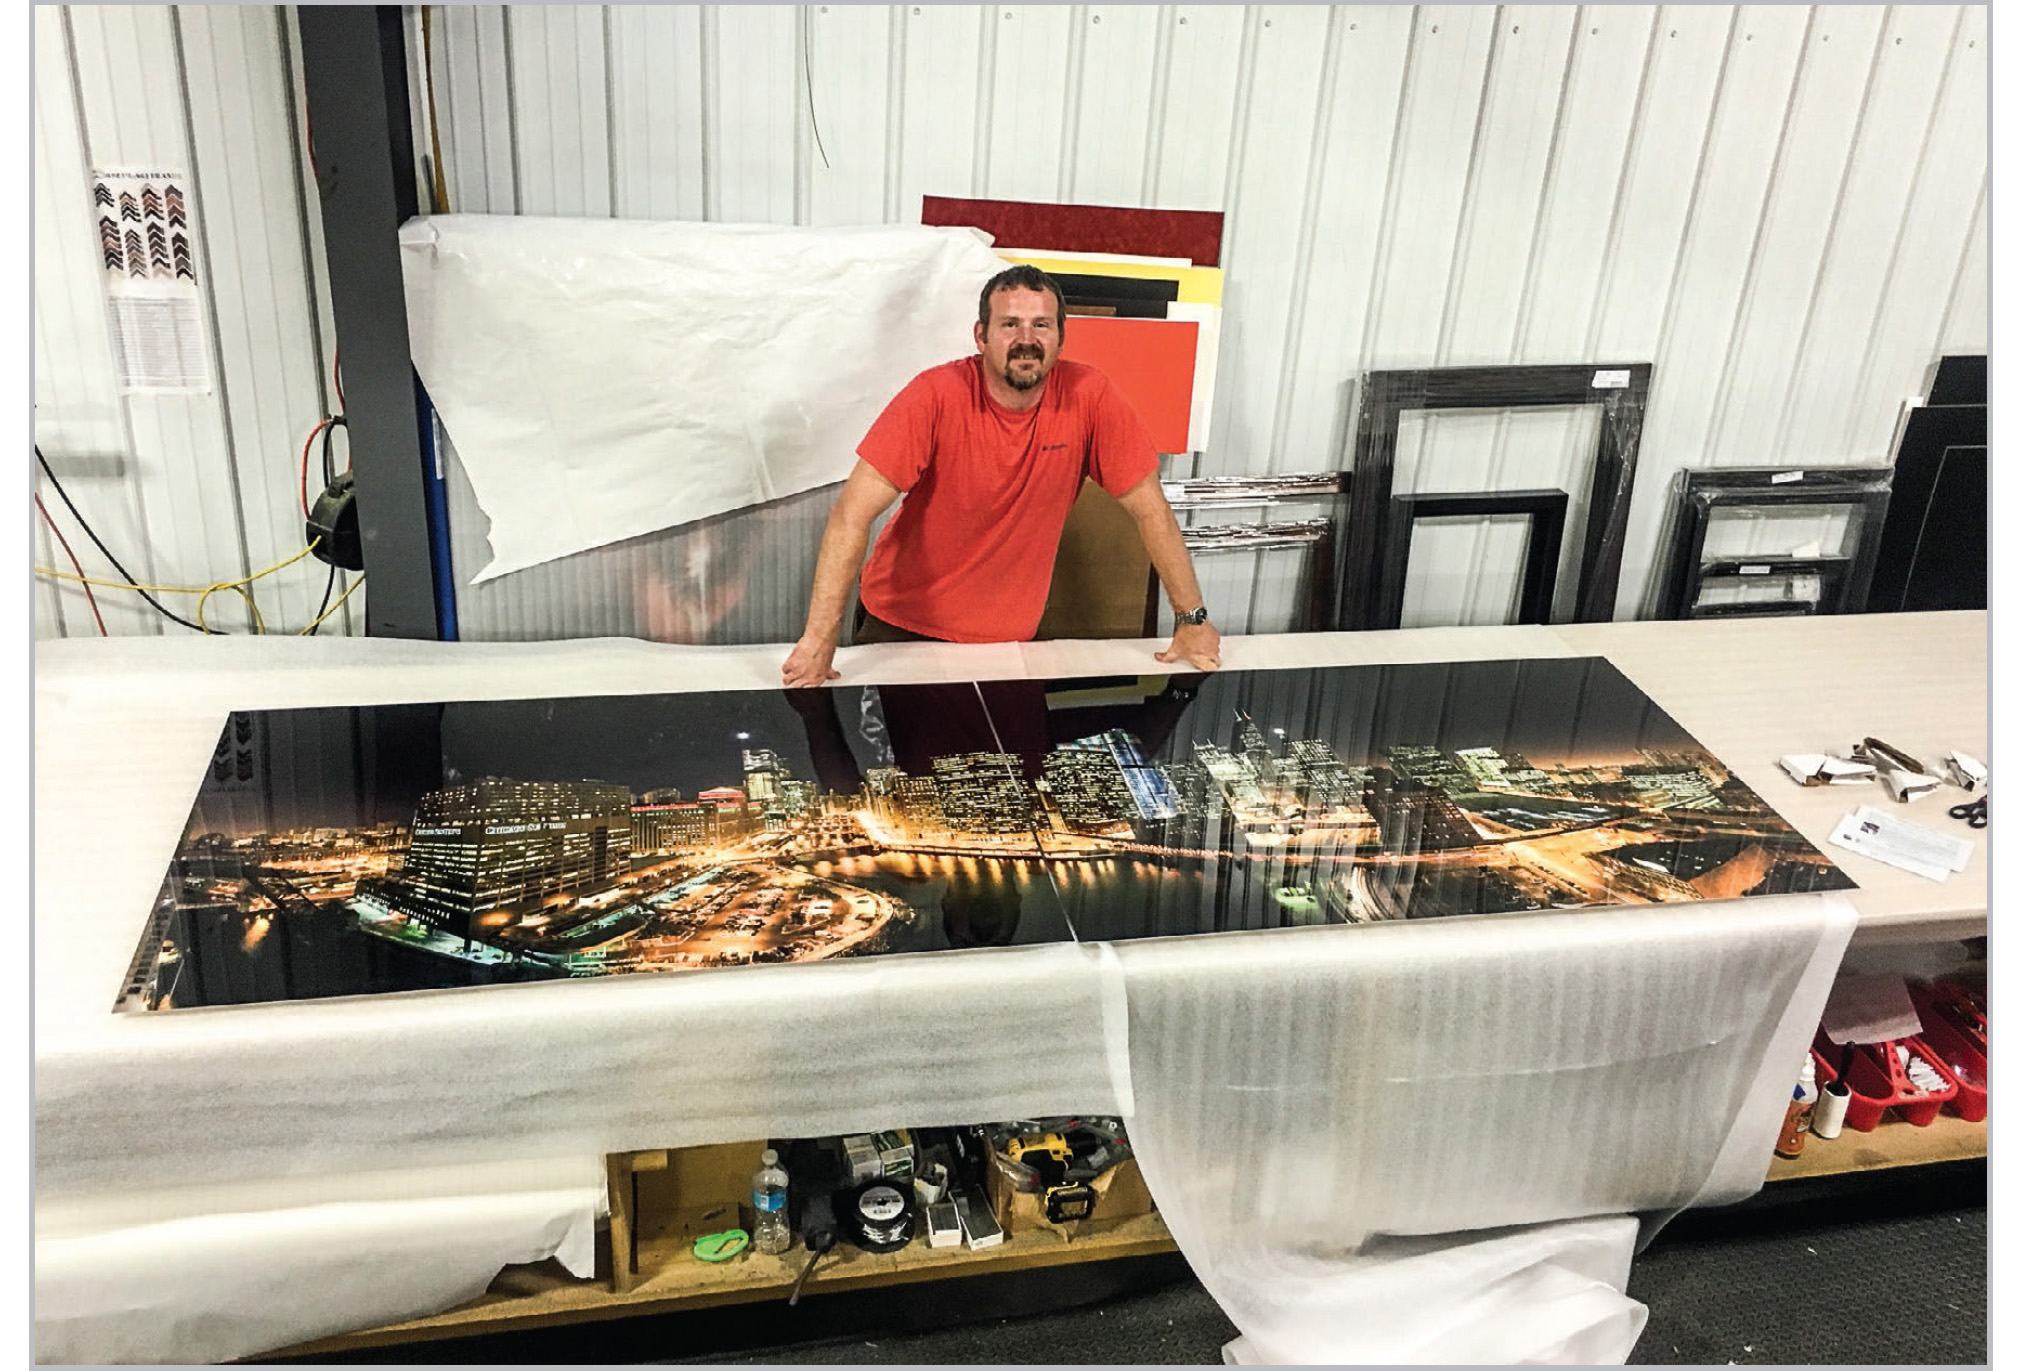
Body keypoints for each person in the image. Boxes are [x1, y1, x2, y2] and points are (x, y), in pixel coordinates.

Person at [780, 264, 1222, 688]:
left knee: (1004, 766)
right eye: (1010, 324)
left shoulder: (1091, 397)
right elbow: (850, 515)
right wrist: (820, 639)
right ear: (981, 336)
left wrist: (1191, 620)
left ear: (1061, 338)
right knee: (902, 768)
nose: (1026, 339)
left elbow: (1152, 513)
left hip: (1010, 645)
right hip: (901, 628)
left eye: (1041, 325)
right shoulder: (934, 396)